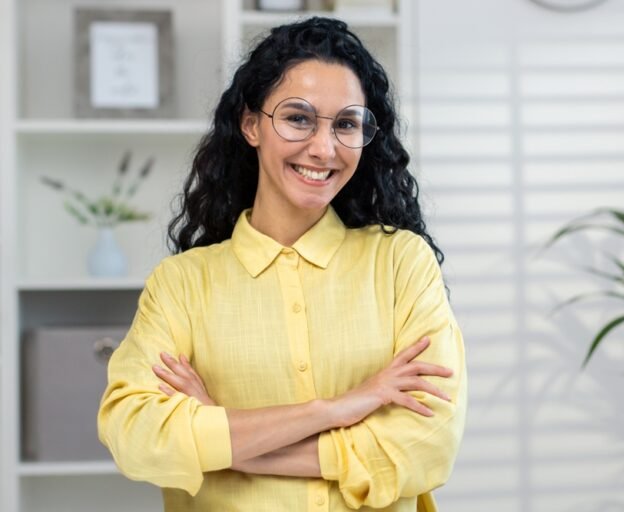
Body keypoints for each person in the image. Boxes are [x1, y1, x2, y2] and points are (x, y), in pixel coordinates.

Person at [97, 16, 466, 512]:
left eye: (346, 124)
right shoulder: (182, 285)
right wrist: (338, 409)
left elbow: (426, 445)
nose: (323, 147)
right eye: (298, 118)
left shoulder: (401, 263)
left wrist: (228, 438)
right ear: (251, 125)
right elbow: (136, 435)